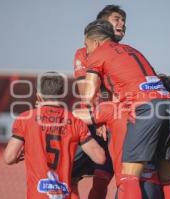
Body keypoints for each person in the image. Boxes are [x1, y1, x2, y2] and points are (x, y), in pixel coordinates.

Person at [82, 20, 170, 199]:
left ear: (95, 42)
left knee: (129, 176)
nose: (86, 51)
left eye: (86, 46)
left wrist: (95, 116)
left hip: (145, 108)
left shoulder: (97, 54)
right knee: (168, 178)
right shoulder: (132, 49)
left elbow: (88, 95)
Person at [3, 72, 105, 199]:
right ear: (62, 95)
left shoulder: (25, 118)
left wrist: (18, 156)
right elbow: (100, 158)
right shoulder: (76, 121)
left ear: (39, 96)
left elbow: (9, 157)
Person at [72, 5, 126, 199]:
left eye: (123, 21)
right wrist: (99, 116)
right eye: (117, 19)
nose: (122, 23)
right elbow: (85, 89)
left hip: (114, 123)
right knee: (69, 172)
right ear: (103, 24)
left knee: (104, 179)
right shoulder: (83, 52)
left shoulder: (125, 53)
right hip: (91, 121)